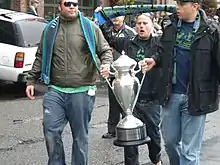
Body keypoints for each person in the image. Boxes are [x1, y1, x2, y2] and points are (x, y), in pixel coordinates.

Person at [25, 0, 112, 165]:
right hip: (55, 90)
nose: (72, 6)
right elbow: (40, 56)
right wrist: (31, 80)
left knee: (80, 137)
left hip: (82, 90)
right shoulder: (50, 29)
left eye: (75, 3)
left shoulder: (89, 27)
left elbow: (105, 50)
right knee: (50, 130)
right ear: (59, 7)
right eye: (68, 3)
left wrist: (106, 64)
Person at [144, 0, 220, 165]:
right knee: (170, 143)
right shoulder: (170, 27)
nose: (177, 7)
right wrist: (154, 60)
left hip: (196, 97)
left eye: (182, 4)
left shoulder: (211, 31)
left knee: (189, 152)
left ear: (195, 6)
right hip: (170, 95)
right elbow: (162, 51)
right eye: (177, 3)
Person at [95, 7, 162, 165]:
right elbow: (107, 37)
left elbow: (164, 56)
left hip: (151, 98)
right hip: (130, 100)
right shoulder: (128, 42)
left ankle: (156, 160)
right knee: (129, 139)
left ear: (152, 25)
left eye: (145, 23)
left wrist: (153, 60)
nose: (141, 26)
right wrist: (102, 17)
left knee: (153, 135)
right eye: (139, 23)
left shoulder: (159, 43)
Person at [102, 15, 137, 139]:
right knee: (113, 102)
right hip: (112, 73)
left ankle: (126, 125)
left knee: (126, 100)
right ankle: (112, 130)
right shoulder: (106, 31)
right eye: (114, 16)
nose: (116, 18)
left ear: (124, 17)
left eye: (119, 16)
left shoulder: (130, 32)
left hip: (126, 73)